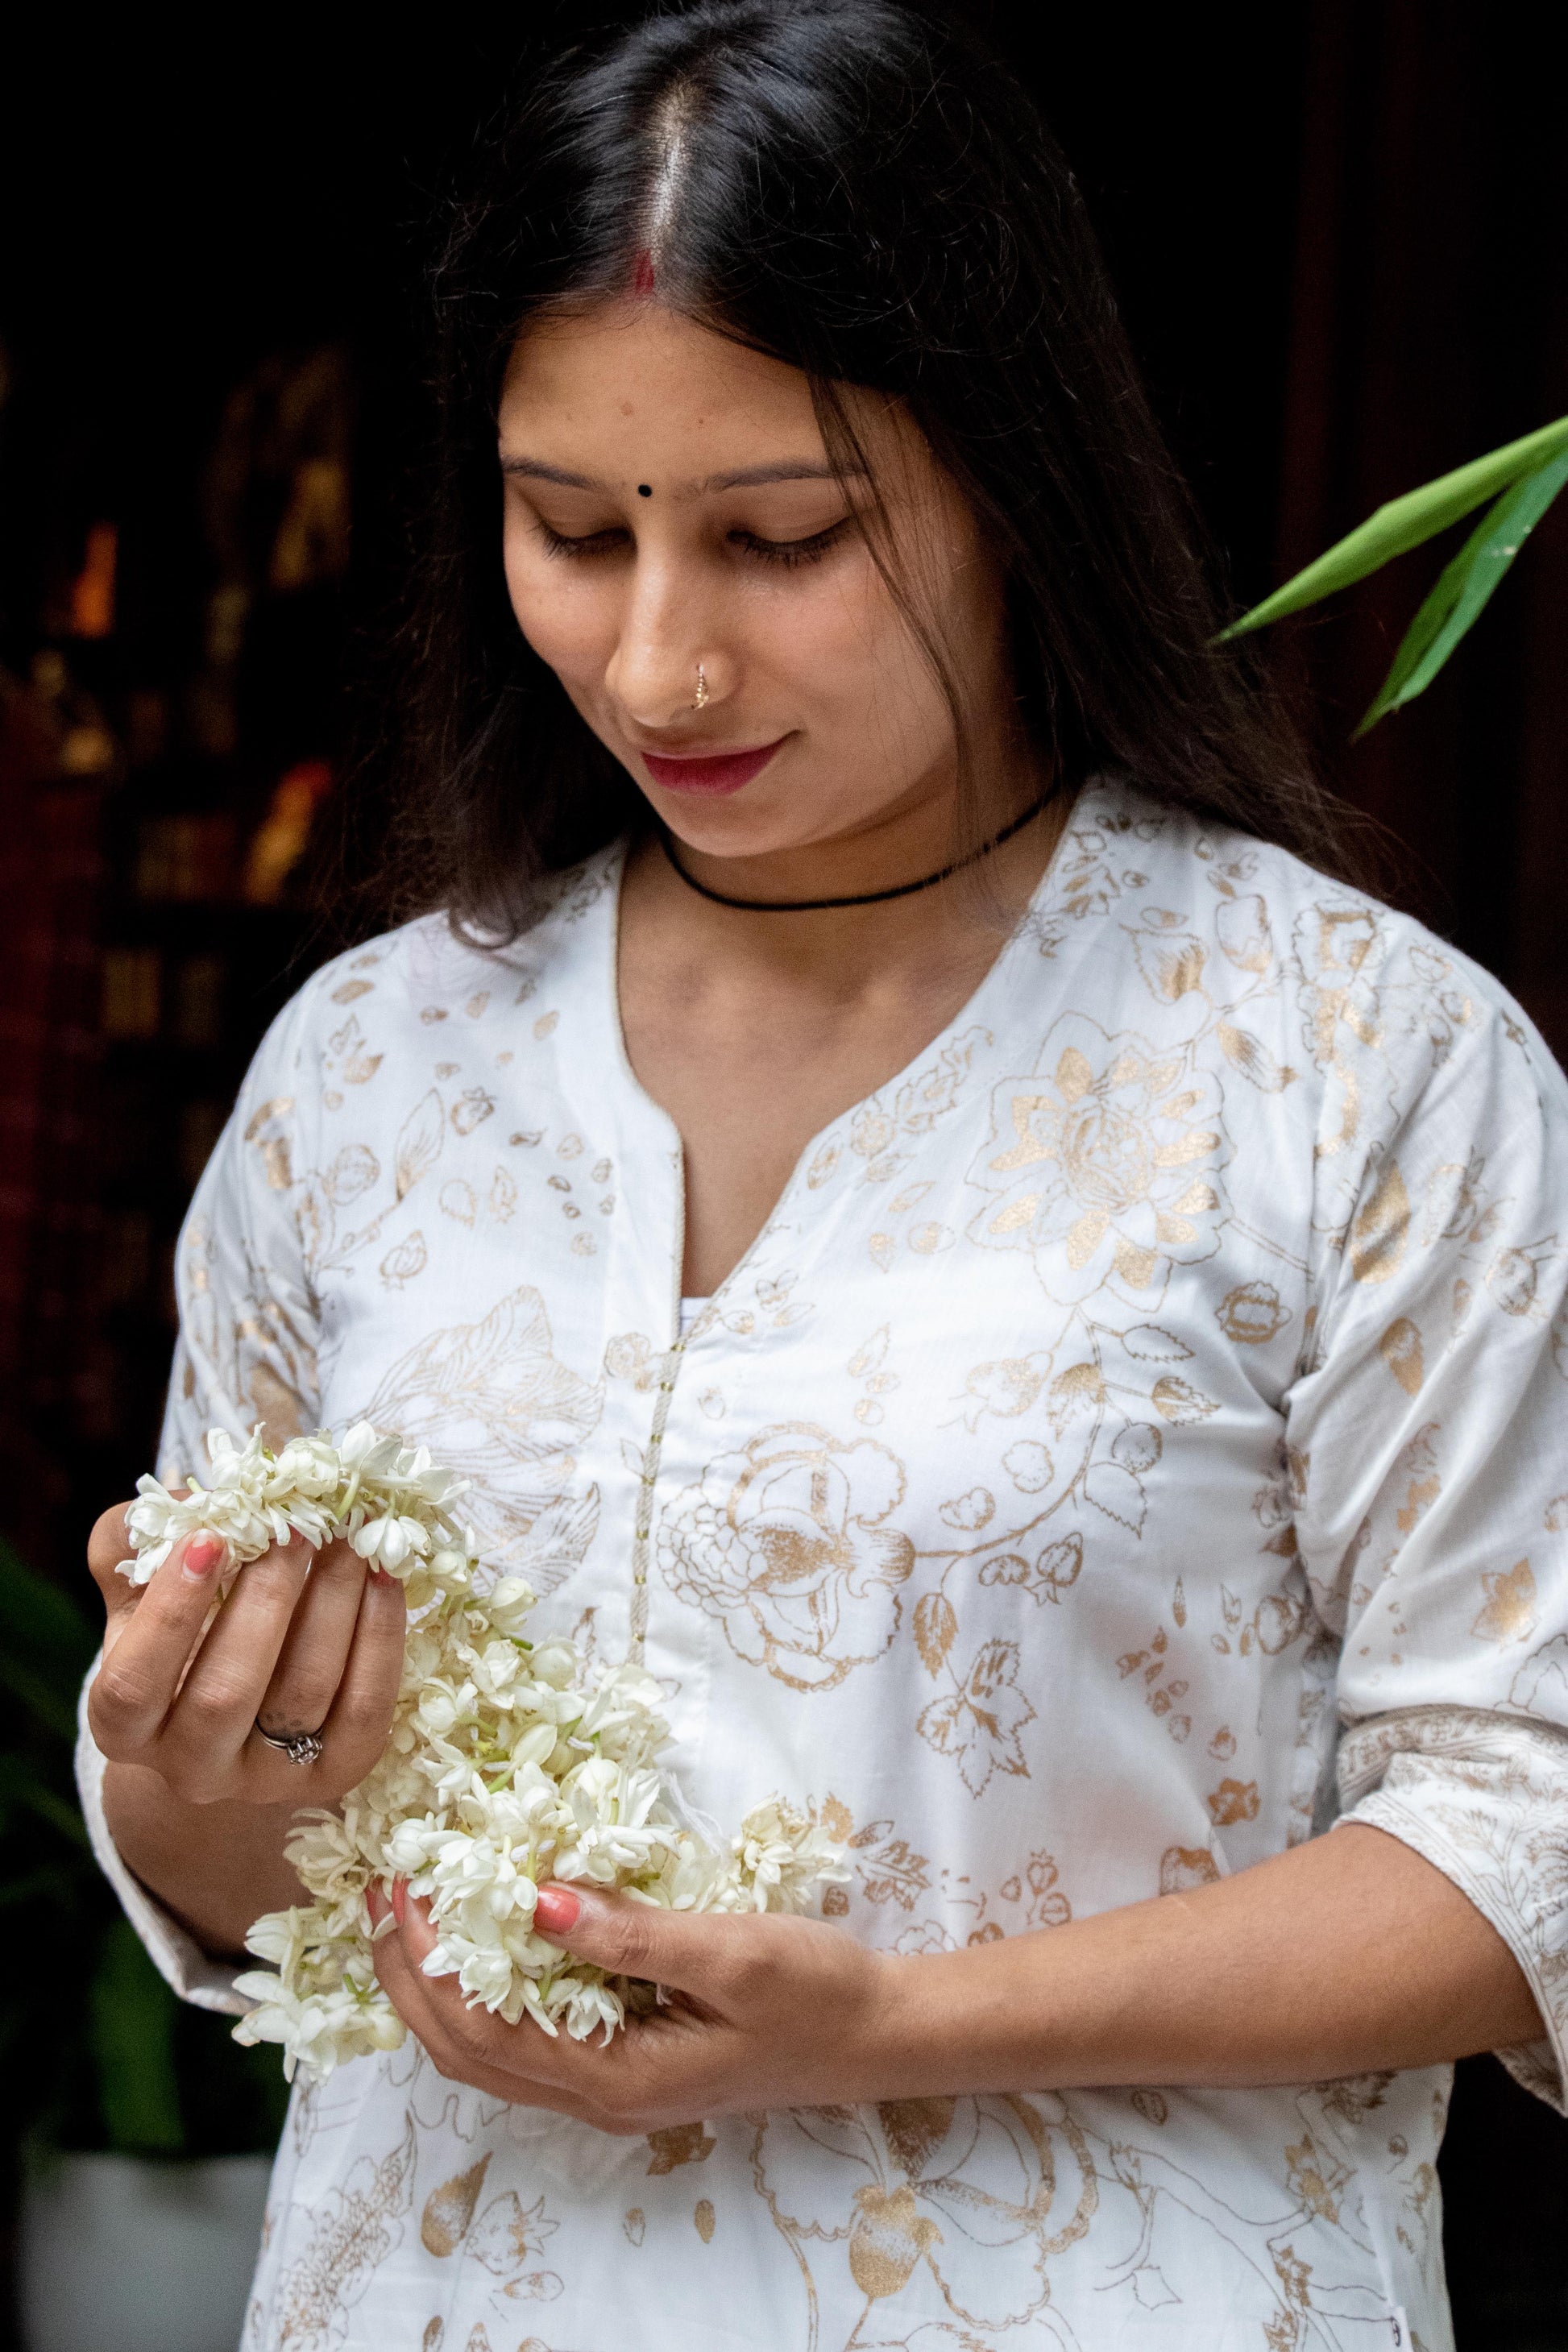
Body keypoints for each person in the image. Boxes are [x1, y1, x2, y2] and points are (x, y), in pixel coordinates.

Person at [79, 5, 1568, 2346]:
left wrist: (890, 2025)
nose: (658, 661)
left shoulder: (1343, 1056)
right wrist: (195, 1760)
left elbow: (1525, 1826)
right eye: (573, 532)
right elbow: (261, 1885)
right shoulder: (370, 1069)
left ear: (1013, 479)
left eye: (781, 539)